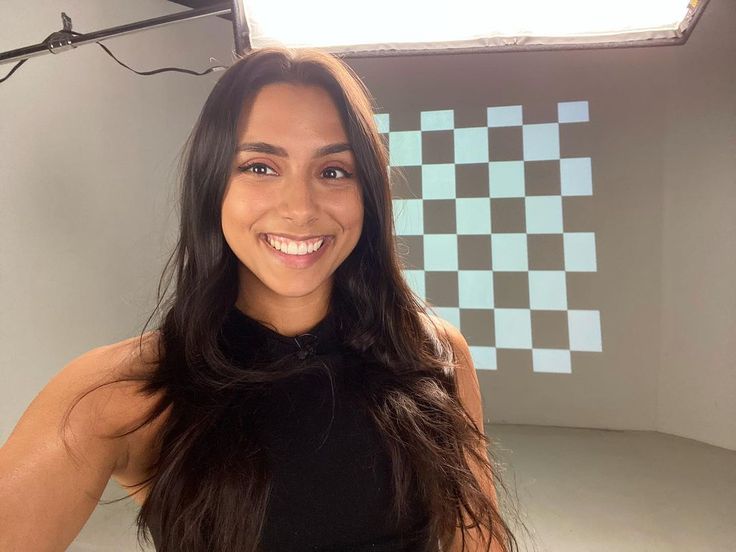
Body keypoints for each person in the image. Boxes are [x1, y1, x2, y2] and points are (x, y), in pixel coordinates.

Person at [0, 47, 526, 552]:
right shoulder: (119, 393)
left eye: (333, 171)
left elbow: (477, 539)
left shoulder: (432, 352)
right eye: (260, 167)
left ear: (367, 194)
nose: (300, 208)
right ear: (212, 185)